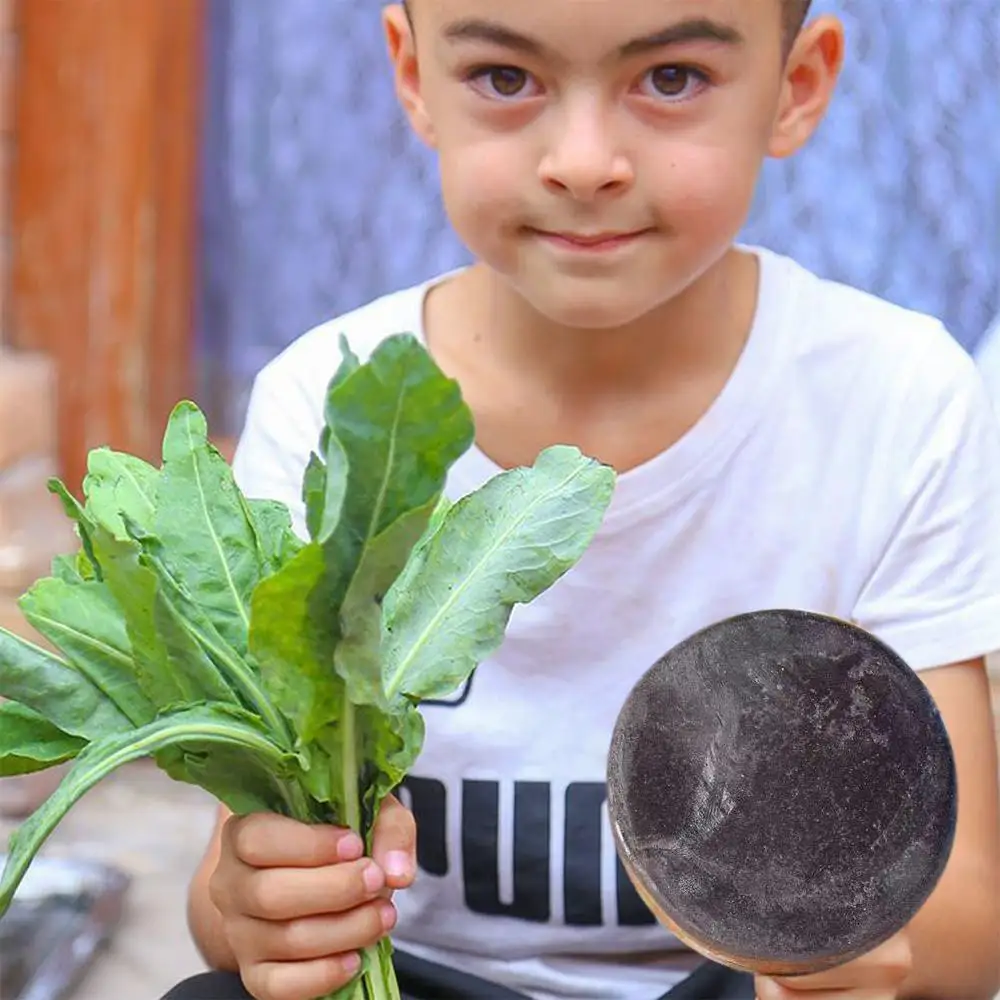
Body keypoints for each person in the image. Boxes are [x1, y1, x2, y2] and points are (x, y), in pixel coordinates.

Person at [164, 0, 1000, 998]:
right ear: (412, 74)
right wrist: (265, 909)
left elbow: (969, 920)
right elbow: (229, 904)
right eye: (506, 79)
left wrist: (861, 953)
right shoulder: (331, 405)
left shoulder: (898, 401)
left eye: (672, 78)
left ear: (797, 87)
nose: (584, 160)